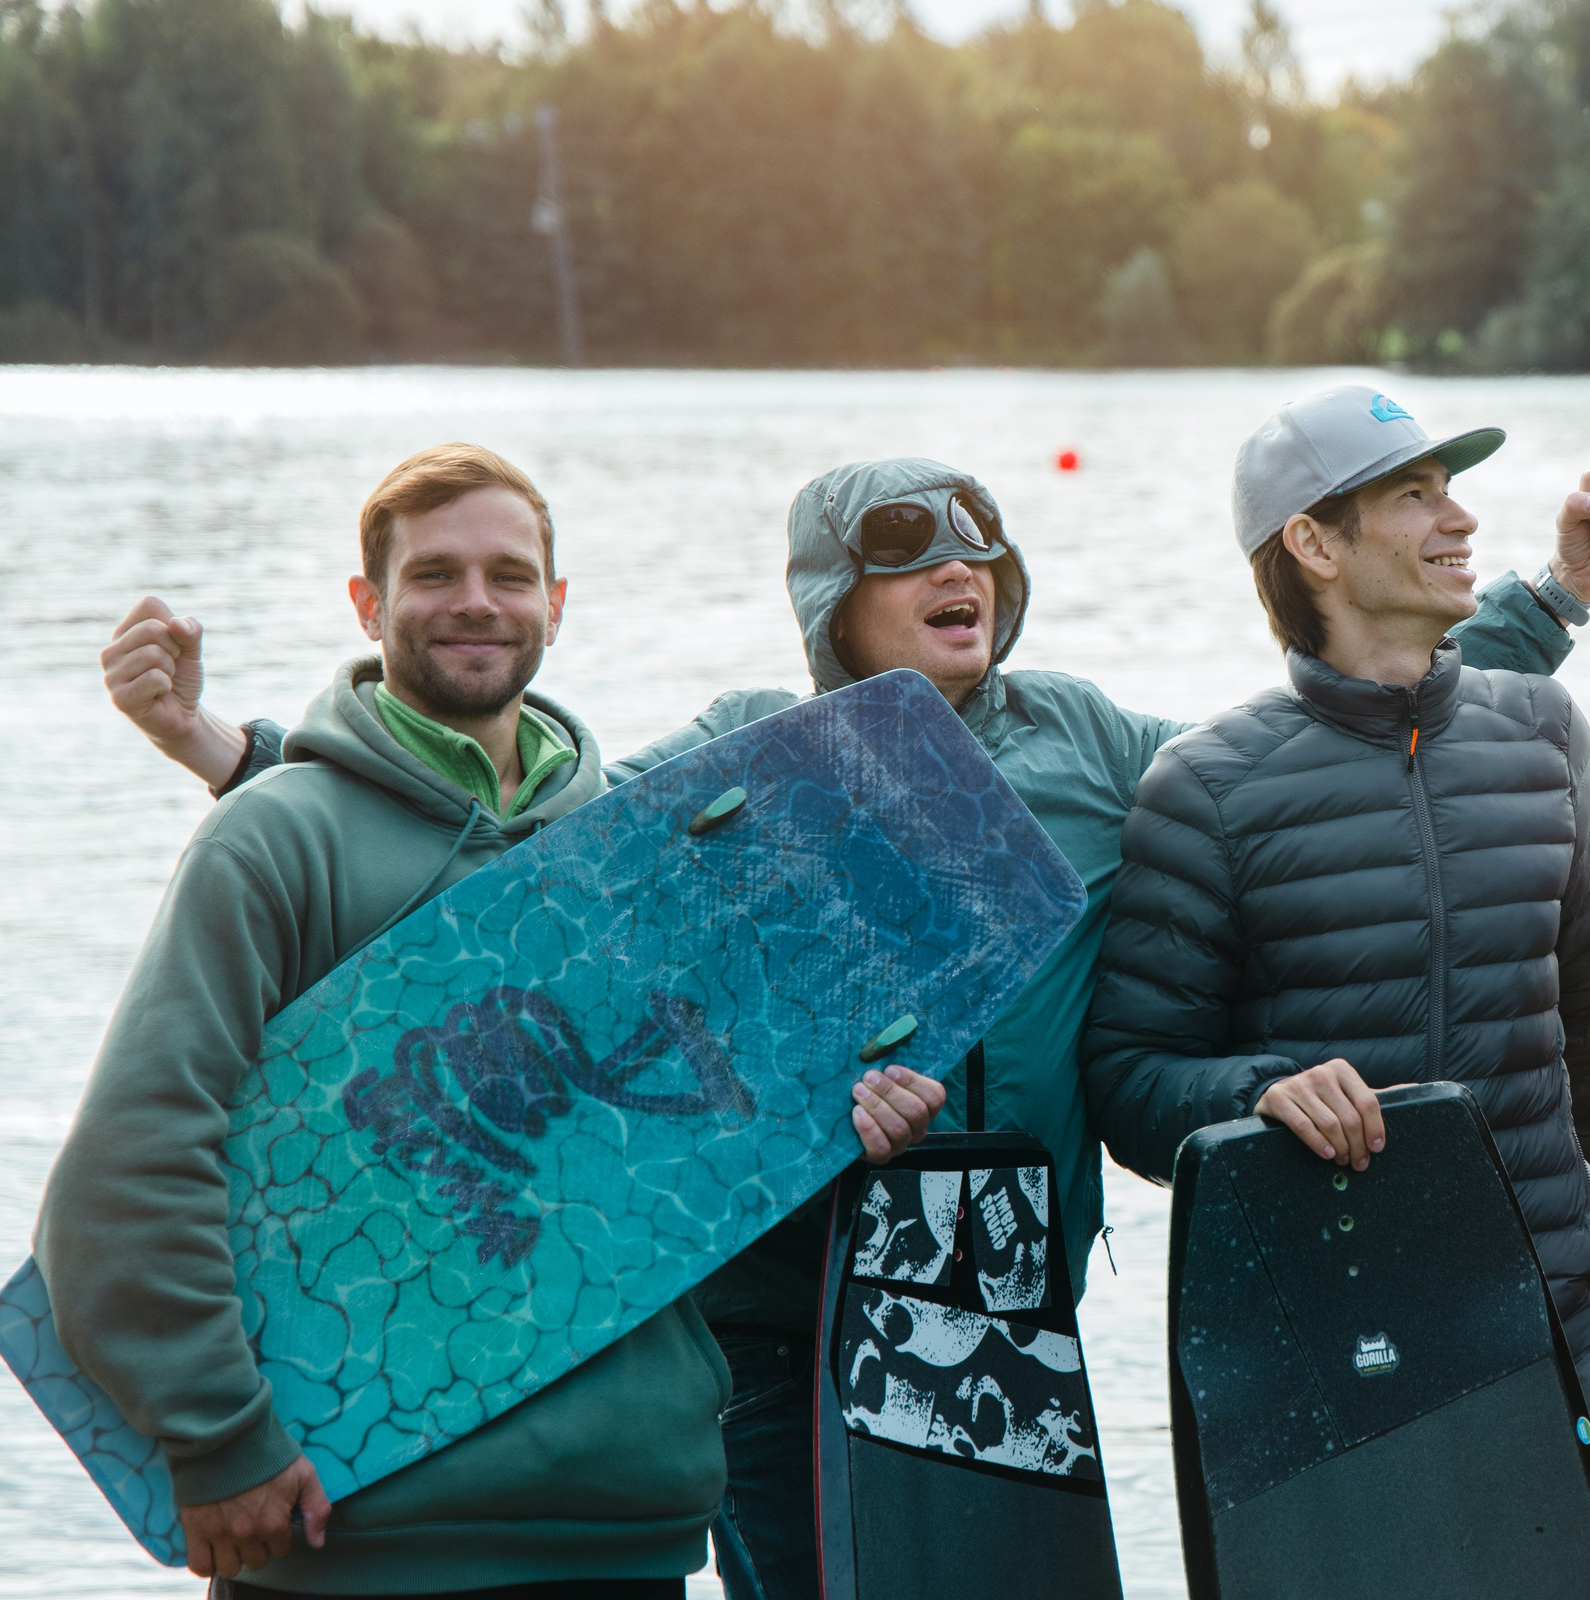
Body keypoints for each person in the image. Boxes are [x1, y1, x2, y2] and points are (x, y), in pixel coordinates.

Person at [107, 422, 1590, 1599]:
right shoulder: (747, 760)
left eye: (982, 555)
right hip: (791, 1313)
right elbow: (510, 891)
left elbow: (1320, 748)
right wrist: (231, 757)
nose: (958, 579)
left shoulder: (1096, 746)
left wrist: (1548, 602)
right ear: (833, 602)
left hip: (1005, 1292)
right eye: (914, 562)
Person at [49, 444, 945, 1598]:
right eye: (434, 575)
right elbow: (129, 1167)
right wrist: (221, 1439)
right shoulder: (276, 844)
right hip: (350, 1540)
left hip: (629, 1532)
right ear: (368, 603)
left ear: (556, 606)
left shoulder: (638, 853)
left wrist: (851, 1132)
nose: (476, 601)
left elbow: (675, 1169)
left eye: (511, 575)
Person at [1082, 387, 1590, 1599]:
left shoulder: (1541, 732)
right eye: (1416, 493)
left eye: (1449, 486)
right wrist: (1260, 1088)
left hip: (1558, 1296)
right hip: (1338, 1332)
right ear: (1313, 542)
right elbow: (1129, 1076)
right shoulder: (1209, 788)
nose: (1460, 517)